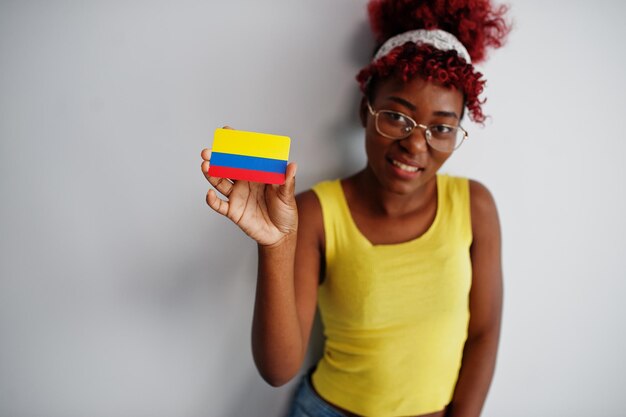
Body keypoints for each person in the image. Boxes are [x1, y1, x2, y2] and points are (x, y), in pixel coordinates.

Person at [200, 0, 510, 415]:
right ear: (366, 110)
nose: (416, 145)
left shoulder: (475, 207)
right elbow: (278, 369)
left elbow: (484, 333)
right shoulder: (315, 212)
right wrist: (274, 244)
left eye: (441, 128)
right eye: (397, 117)